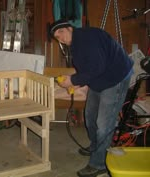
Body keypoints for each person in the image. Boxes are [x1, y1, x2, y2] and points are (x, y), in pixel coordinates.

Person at [50, 19, 133, 177]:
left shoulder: (87, 38)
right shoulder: (75, 45)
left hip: (116, 77)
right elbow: (88, 68)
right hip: (100, 78)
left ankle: (99, 163)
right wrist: (77, 82)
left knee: (104, 124)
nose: (59, 37)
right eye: (56, 37)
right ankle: (96, 147)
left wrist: (72, 80)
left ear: (69, 28)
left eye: (60, 32)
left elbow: (96, 67)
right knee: (90, 116)